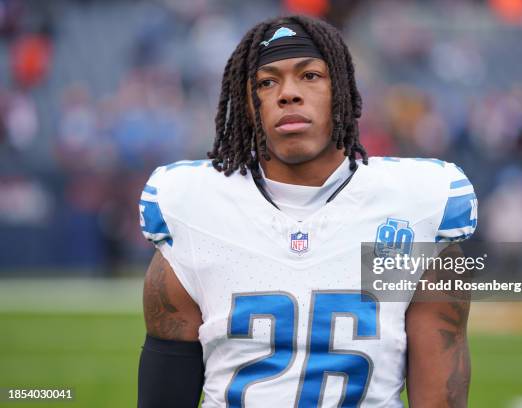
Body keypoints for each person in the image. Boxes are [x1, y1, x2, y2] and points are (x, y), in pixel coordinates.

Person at [137, 15, 477, 408]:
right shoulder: (194, 207)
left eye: (310, 76)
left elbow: (439, 398)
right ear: (248, 104)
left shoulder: (415, 207)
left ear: (343, 91)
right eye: (267, 82)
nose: (288, 93)